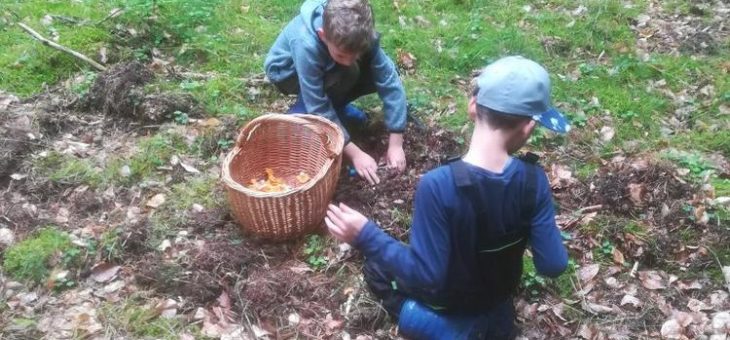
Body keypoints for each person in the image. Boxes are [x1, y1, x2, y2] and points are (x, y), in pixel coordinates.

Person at [324, 56, 571, 339]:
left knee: (376, 268)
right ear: (529, 126)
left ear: (473, 106)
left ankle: (435, 325)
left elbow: (427, 276)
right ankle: (490, 322)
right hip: (495, 297)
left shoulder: (439, 185)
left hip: (448, 300)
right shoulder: (533, 180)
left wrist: (365, 235)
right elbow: (553, 264)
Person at [264, 0, 407, 185]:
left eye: (355, 54)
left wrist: (396, 143)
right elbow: (317, 104)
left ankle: (336, 110)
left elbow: (389, 81)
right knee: (344, 75)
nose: (348, 60)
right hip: (287, 71)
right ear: (323, 36)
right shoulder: (306, 43)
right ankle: (301, 114)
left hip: (327, 63)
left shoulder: (359, 38)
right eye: (341, 55)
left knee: (368, 72)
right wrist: (355, 153)